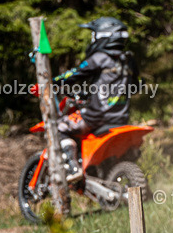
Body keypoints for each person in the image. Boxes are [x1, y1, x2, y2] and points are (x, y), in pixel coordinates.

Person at [52, 16, 136, 182]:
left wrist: (51, 81)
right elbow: (135, 84)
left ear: (102, 36)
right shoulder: (129, 60)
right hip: (121, 117)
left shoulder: (99, 58)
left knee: (59, 126)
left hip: (96, 117)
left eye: (94, 35)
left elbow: (73, 75)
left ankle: (74, 167)